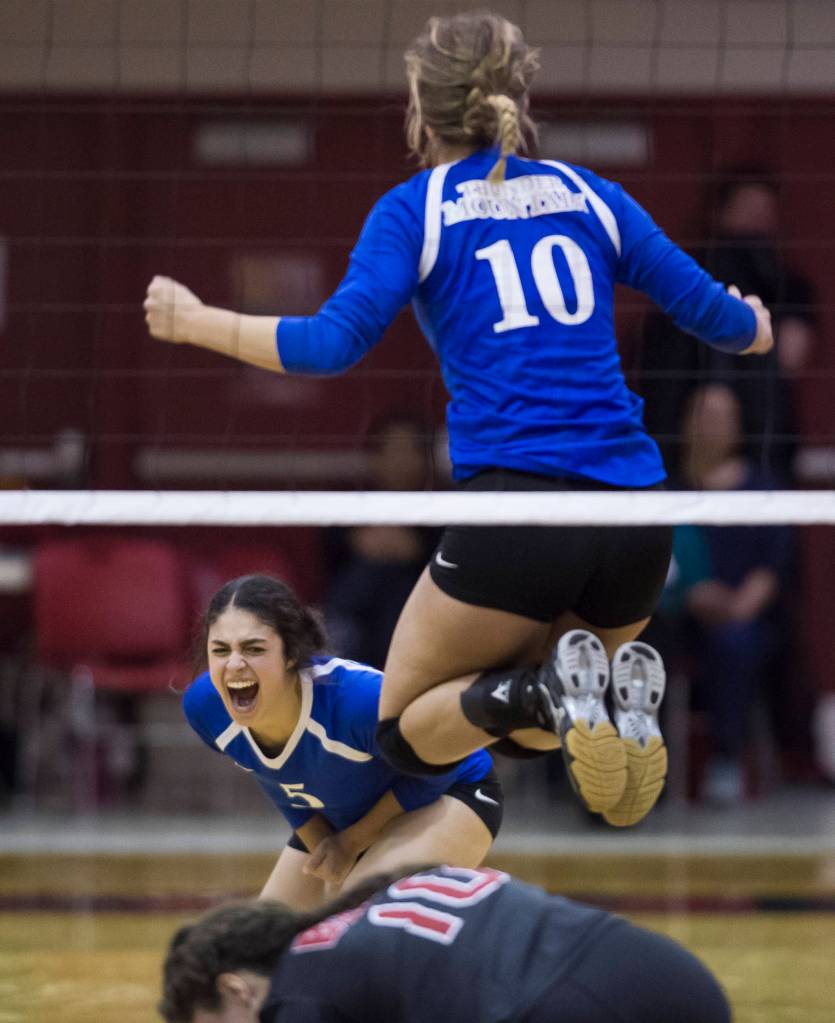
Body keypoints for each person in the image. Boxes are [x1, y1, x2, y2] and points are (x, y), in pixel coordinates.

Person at [145, 11, 773, 829]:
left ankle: (548, 690)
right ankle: (574, 695)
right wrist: (755, 321)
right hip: (635, 520)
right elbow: (721, 321)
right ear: (519, 99)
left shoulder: (417, 209)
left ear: (420, 108)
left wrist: (196, 321)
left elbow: (328, 344)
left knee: (404, 731)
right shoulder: (594, 195)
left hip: (519, 511)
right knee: (516, 722)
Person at [183, 574, 502, 908]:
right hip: (345, 818)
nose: (234, 664)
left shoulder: (359, 700)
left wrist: (351, 843)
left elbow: (441, 765)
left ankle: (474, 908)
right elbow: (273, 775)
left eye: (254, 649)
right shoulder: (206, 708)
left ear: (291, 653)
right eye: (220, 650)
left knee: (355, 920)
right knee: (265, 939)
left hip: (453, 789)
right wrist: (322, 842)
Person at [159, 863, 731, 1023]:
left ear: (235, 989)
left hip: (575, 1006)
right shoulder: (377, 903)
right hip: (675, 976)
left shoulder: (296, 994)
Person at [639, 168, 816, 479]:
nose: (755, 223)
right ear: (720, 214)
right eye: (746, 211)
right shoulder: (683, 282)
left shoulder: (788, 285)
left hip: (762, 446)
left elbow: (790, 357)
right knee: (713, 406)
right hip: (679, 452)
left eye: (763, 213)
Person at [676, 384, 795, 803]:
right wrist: (690, 595)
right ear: (686, 424)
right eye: (704, 417)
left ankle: (726, 758)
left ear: (738, 426)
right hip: (681, 615)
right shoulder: (669, 489)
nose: (712, 427)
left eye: (721, 418)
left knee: (734, 643)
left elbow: (773, 565)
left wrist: (739, 606)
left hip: (745, 618)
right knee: (637, 641)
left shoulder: (762, 487)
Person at [323, 413, 442, 669]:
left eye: (409, 451)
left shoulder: (444, 509)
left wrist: (414, 548)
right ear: (375, 457)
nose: (400, 461)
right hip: (357, 617)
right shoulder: (348, 507)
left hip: (419, 613)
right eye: (392, 450)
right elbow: (333, 556)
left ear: (426, 459)